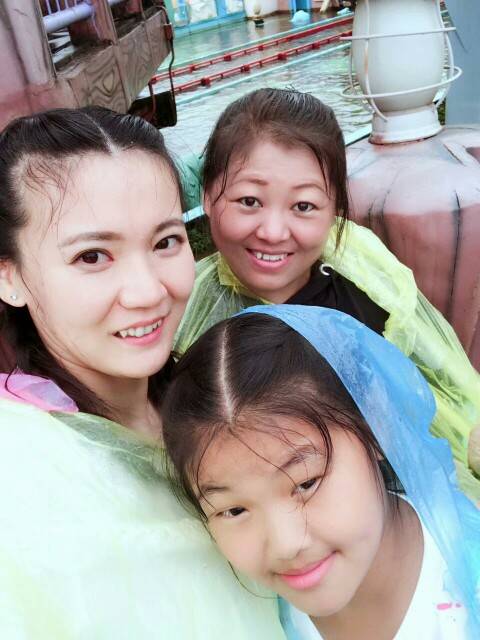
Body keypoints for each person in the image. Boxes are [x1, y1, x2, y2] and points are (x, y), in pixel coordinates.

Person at [0, 108, 286, 639]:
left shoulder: (216, 394)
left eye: (165, 242)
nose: (149, 291)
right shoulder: (20, 476)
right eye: (92, 256)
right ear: (9, 277)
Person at [174, 88, 480, 501]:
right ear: (209, 196)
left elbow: (434, 379)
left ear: (334, 207)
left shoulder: (362, 273)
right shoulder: (184, 306)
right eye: (249, 201)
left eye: (303, 206)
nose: (273, 232)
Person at [163, 305, 480, 639]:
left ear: (376, 427)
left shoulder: (468, 576)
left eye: (306, 483)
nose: (286, 545)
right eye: (234, 510)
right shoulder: (243, 613)